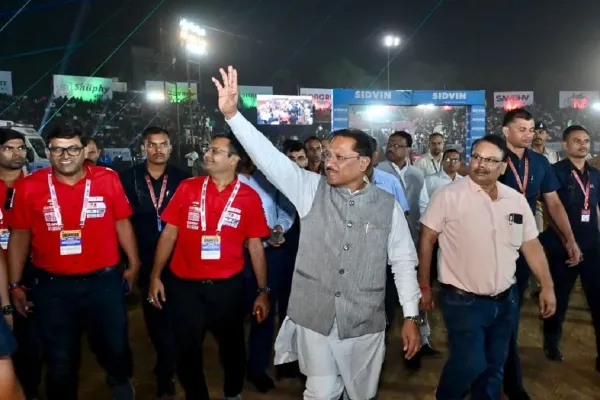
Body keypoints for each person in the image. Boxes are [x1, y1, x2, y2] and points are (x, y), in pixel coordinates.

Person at [213, 66, 421, 400]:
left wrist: (411, 316)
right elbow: (269, 160)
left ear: (364, 163)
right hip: (314, 318)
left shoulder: (387, 206)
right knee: (320, 392)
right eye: (328, 155)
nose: (329, 162)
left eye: (339, 157)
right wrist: (233, 115)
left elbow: (403, 262)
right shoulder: (309, 188)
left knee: (360, 394)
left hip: (363, 323)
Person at [418, 134, 556, 399]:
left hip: (506, 300)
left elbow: (531, 245)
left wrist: (547, 286)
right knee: (470, 363)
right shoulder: (448, 196)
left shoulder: (515, 200)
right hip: (462, 300)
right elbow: (427, 238)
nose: (481, 165)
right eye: (477, 157)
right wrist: (424, 285)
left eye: (490, 160)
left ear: (503, 167)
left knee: (494, 369)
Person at [7, 126, 140, 400]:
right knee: (59, 358)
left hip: (103, 283)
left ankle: (119, 379)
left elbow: (122, 222)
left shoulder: (107, 179)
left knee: (115, 344)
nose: (65, 155)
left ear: (84, 151)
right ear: (47, 152)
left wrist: (134, 262)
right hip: (53, 287)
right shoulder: (30, 186)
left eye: (72, 148)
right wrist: (15, 283)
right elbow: (20, 235)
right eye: (57, 149)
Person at [148, 133, 271, 400]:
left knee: (233, 347)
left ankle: (233, 393)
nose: (207, 154)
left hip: (227, 289)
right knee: (186, 349)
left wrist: (262, 290)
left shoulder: (249, 197)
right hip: (184, 287)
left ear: (234, 160)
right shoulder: (188, 187)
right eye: (208, 149)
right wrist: (155, 275)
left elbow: (255, 246)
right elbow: (169, 233)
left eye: (215, 151)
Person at [499, 109, 580, 399]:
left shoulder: (540, 162)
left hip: (522, 246)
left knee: (511, 312)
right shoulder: (493, 157)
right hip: (491, 245)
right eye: (521, 129)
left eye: (531, 129)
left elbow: (553, 203)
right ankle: (484, 373)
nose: (528, 134)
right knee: (489, 313)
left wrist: (570, 238)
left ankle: (510, 380)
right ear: (506, 131)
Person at [119, 126, 190, 399]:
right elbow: (121, 222)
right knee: (155, 318)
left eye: (163, 144)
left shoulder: (184, 179)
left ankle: (168, 368)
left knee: (176, 318)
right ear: (143, 148)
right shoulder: (128, 178)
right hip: (144, 258)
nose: (158, 150)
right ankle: (165, 369)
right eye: (153, 144)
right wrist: (130, 262)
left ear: (171, 148)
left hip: (178, 260)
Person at [540, 125, 600, 372]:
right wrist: (568, 241)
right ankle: (551, 342)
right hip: (562, 245)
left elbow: (596, 208)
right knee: (560, 297)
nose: (583, 145)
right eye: (576, 141)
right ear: (565, 145)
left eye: (586, 140)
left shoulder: (595, 174)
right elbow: (550, 211)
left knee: (597, 299)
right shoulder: (555, 172)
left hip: (592, 244)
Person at [237, 156, 294, 392]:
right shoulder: (228, 181)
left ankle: (257, 368)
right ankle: (235, 367)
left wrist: (279, 229)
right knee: (236, 313)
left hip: (270, 253)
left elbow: (285, 209)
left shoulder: (269, 178)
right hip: (238, 255)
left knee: (264, 311)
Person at [0, 128, 43, 400]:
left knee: (31, 341)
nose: (17, 153)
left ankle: (30, 390)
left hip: (29, 271)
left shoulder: (37, 185)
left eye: (21, 148)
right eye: (8, 148)